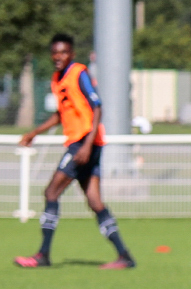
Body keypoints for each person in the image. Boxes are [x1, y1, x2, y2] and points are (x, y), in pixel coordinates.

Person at [13, 33, 136, 270]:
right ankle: (125, 256)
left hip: (84, 143)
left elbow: (97, 107)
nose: (58, 57)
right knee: (95, 201)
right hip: (82, 144)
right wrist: (34, 132)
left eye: (64, 52)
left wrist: (88, 145)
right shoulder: (56, 79)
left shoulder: (78, 73)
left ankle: (43, 255)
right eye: (55, 53)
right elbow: (61, 114)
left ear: (72, 54)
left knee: (51, 192)